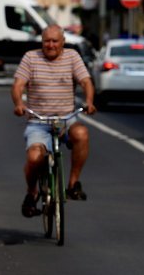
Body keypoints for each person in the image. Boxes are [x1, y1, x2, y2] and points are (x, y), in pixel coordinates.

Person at [11, 24, 97, 218]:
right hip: (38, 121)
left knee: (81, 134)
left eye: (54, 41)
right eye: (46, 41)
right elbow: (18, 85)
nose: (50, 45)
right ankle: (32, 192)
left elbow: (85, 81)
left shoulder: (72, 57)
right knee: (34, 158)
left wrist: (90, 101)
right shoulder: (31, 58)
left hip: (65, 119)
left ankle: (73, 184)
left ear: (63, 42)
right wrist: (18, 103)